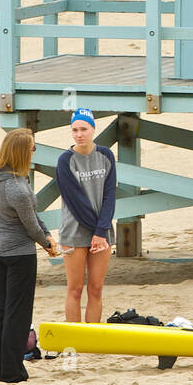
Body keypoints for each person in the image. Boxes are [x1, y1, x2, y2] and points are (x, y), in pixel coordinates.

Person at [0, 128, 58, 383]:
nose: (33, 152)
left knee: (2, 311)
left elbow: (33, 217)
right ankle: (12, 371)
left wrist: (46, 235)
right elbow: (30, 226)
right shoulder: (17, 187)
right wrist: (47, 244)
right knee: (18, 314)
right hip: (17, 253)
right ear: (21, 152)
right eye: (31, 148)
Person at [56, 108, 117, 322]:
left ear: (93, 129)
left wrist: (102, 232)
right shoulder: (65, 160)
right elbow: (75, 201)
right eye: (75, 130)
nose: (79, 134)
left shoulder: (106, 155)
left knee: (96, 288)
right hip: (75, 231)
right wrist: (98, 231)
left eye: (84, 129)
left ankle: (93, 336)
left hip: (101, 230)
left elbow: (110, 195)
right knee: (75, 288)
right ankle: (75, 339)